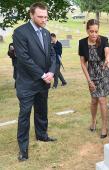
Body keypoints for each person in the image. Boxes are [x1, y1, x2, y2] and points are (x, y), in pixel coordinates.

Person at [13, 2, 57, 161]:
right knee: (24, 115)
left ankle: (42, 135)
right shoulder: (20, 32)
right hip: (26, 84)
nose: (44, 19)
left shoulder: (46, 33)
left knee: (42, 111)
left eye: (46, 16)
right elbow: (24, 58)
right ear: (31, 15)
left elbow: (52, 55)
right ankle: (23, 149)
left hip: (43, 83)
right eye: (40, 16)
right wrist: (42, 74)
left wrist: (51, 72)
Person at [78, 19, 109, 139]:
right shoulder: (82, 43)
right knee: (94, 100)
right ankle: (93, 121)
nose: (94, 34)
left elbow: (107, 51)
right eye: (91, 31)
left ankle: (104, 126)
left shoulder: (103, 40)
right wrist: (89, 80)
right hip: (91, 75)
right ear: (87, 30)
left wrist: (107, 58)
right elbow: (83, 63)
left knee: (102, 99)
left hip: (103, 73)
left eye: (96, 31)